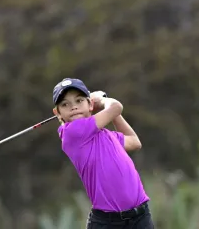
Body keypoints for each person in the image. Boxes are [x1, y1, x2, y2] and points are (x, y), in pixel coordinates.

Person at [52, 78, 154, 229]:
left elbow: (134, 142)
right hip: (108, 223)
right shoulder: (71, 133)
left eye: (79, 101)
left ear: (90, 104)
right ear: (57, 113)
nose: (73, 107)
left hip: (140, 217)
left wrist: (111, 112)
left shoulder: (106, 135)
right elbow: (116, 106)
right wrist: (101, 99)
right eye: (65, 104)